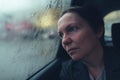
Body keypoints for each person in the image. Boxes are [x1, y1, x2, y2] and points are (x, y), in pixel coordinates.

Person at [57, 4, 120, 80]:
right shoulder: (68, 70)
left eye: (72, 29)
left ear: (98, 31)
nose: (64, 41)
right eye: (61, 35)